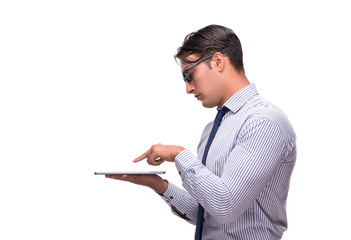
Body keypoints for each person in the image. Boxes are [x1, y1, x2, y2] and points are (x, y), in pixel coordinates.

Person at [106, 24, 297, 240]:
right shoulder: (212, 130)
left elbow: (226, 206)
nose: (188, 89)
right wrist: (157, 185)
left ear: (218, 61)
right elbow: (206, 213)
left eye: (190, 75)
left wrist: (179, 155)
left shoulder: (263, 122)